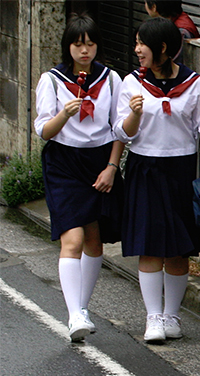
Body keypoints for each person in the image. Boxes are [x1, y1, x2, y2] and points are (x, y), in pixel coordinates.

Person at [114, 17, 200, 343]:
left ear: (162, 48)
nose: (136, 50)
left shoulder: (194, 83)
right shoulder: (131, 83)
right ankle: (153, 318)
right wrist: (134, 113)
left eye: (141, 44)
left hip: (181, 171)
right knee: (149, 248)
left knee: (177, 250)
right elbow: (121, 132)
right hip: (145, 169)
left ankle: (172, 316)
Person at [34, 13, 125, 342]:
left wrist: (112, 167)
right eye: (77, 43)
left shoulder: (111, 80)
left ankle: (81, 308)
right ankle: (74, 314)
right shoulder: (53, 80)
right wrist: (64, 114)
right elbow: (44, 130)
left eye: (90, 43)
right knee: (71, 239)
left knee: (94, 240)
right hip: (64, 162)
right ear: (67, 46)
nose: (84, 50)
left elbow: (119, 128)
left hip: (99, 161)